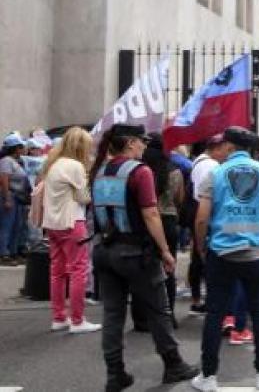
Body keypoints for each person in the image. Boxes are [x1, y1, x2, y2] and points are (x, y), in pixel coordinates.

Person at [90, 124, 198, 392]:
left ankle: (115, 373)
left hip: (105, 251)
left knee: (113, 314)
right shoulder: (140, 171)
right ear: (130, 143)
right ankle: (173, 364)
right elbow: (150, 214)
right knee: (158, 310)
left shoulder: (99, 171)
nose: (144, 146)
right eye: (142, 141)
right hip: (136, 252)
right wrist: (165, 251)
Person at [192, 127, 259, 391]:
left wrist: (201, 246)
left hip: (222, 253)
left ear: (230, 147)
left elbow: (201, 218)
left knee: (215, 313)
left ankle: (208, 377)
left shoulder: (215, 173)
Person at [40, 126, 100, 333]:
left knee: (57, 272)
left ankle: (59, 317)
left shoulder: (53, 164)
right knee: (78, 271)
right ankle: (77, 320)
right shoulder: (75, 166)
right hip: (72, 222)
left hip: (52, 224)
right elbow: (84, 198)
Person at [139, 134, 185, 327]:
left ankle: (143, 317)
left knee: (144, 270)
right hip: (169, 220)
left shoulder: (141, 169)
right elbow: (180, 199)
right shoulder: (175, 171)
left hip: (146, 220)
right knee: (168, 269)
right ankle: (168, 313)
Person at [187, 134, 228, 316]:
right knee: (204, 256)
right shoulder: (211, 166)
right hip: (205, 212)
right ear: (216, 149)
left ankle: (197, 298)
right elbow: (205, 196)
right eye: (225, 150)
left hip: (197, 211)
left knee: (197, 256)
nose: (227, 154)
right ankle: (206, 300)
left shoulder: (199, 162)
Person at [1, 134, 32, 264]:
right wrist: (7, 198)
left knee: (16, 226)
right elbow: (4, 180)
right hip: (9, 196)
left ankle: (13, 252)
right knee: (7, 225)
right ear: (16, 148)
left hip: (18, 198)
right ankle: (4, 253)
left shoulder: (17, 162)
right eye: (21, 146)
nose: (24, 149)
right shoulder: (6, 161)